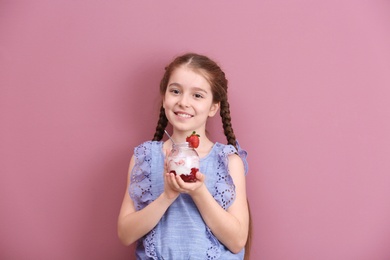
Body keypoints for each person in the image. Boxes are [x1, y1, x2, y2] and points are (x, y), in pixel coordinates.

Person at [118, 53, 251, 259]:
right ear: (164, 98)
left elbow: (237, 241)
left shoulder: (228, 161)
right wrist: (167, 196)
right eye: (175, 91)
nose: (183, 102)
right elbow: (126, 234)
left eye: (197, 95)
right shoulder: (144, 157)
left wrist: (198, 191)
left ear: (213, 107)